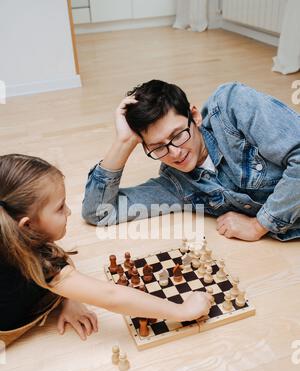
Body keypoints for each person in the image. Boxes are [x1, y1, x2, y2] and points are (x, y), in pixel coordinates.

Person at [0, 154, 211, 346]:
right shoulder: (39, 262)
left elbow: (58, 261)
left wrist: (68, 297)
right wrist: (182, 310)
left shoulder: (16, 234)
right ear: (26, 226)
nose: (69, 211)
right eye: (60, 207)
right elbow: (110, 296)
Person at [82, 80, 300, 242]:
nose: (175, 153)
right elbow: (99, 213)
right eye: (158, 146)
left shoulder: (232, 104)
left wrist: (258, 225)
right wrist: (123, 142)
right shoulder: (175, 185)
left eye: (178, 135)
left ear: (194, 116)